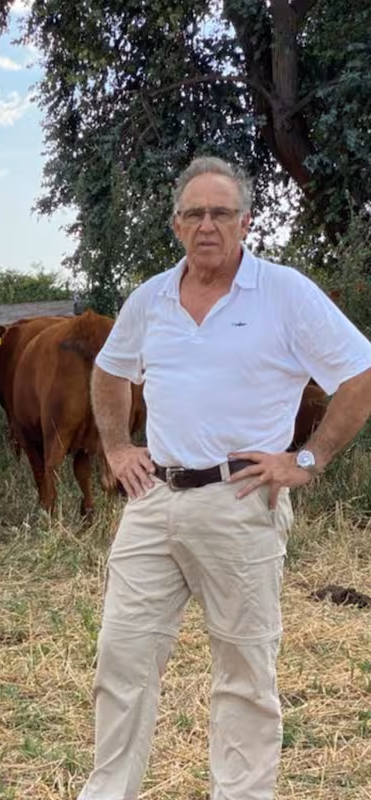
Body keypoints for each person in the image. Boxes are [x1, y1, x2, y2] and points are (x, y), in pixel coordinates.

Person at [79, 155, 371, 799]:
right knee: (121, 659)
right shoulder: (150, 298)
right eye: (193, 213)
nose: (206, 225)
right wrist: (118, 447)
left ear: (245, 222)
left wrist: (307, 459)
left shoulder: (285, 293)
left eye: (220, 212)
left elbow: (360, 374)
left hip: (241, 500)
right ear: (176, 225)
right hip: (153, 499)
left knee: (243, 670)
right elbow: (109, 372)